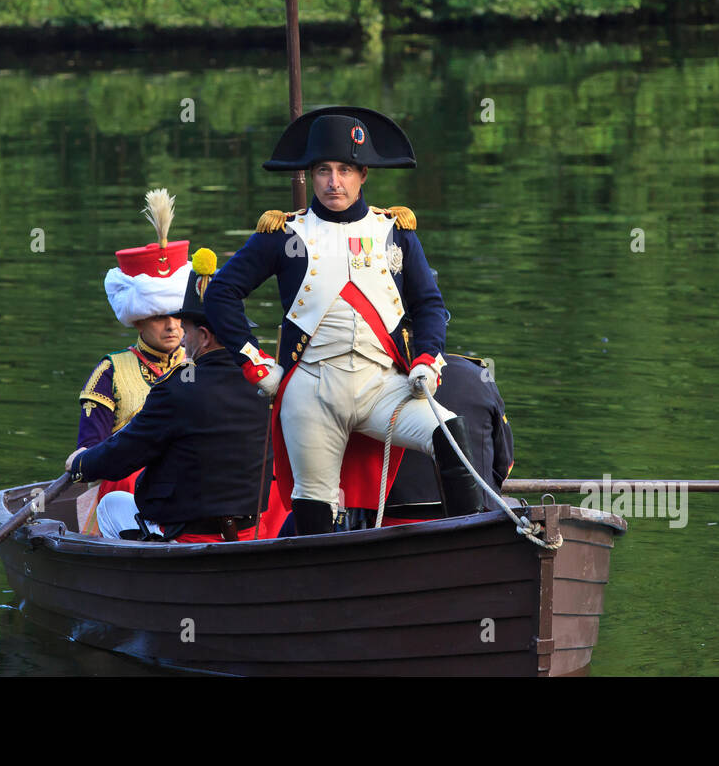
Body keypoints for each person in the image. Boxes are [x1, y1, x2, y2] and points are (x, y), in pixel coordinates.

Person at [202, 105, 485, 535]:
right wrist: (255, 363)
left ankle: (473, 546)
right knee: (314, 506)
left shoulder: (397, 231)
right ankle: (319, 586)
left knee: (451, 435)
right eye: (323, 171)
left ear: (363, 175)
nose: (334, 182)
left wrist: (427, 359)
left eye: (346, 170)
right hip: (311, 388)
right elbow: (221, 293)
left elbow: (430, 305)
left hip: (382, 387)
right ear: (310, 175)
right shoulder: (283, 234)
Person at [65, 247, 274, 543]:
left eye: (185, 329)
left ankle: (134, 581)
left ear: (203, 336)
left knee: (111, 506)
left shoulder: (176, 388)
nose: (178, 334)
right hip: (253, 534)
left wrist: (80, 465)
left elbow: (118, 457)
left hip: (190, 537)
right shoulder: (266, 385)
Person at [74, 190, 189, 536]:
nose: (171, 325)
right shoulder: (110, 372)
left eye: (178, 315)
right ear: (137, 319)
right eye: (158, 317)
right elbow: (90, 456)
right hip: (129, 492)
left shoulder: (206, 362)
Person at [381, 353, 515, 524]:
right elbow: (504, 463)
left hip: (393, 520)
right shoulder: (479, 375)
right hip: (478, 520)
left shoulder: (383, 376)